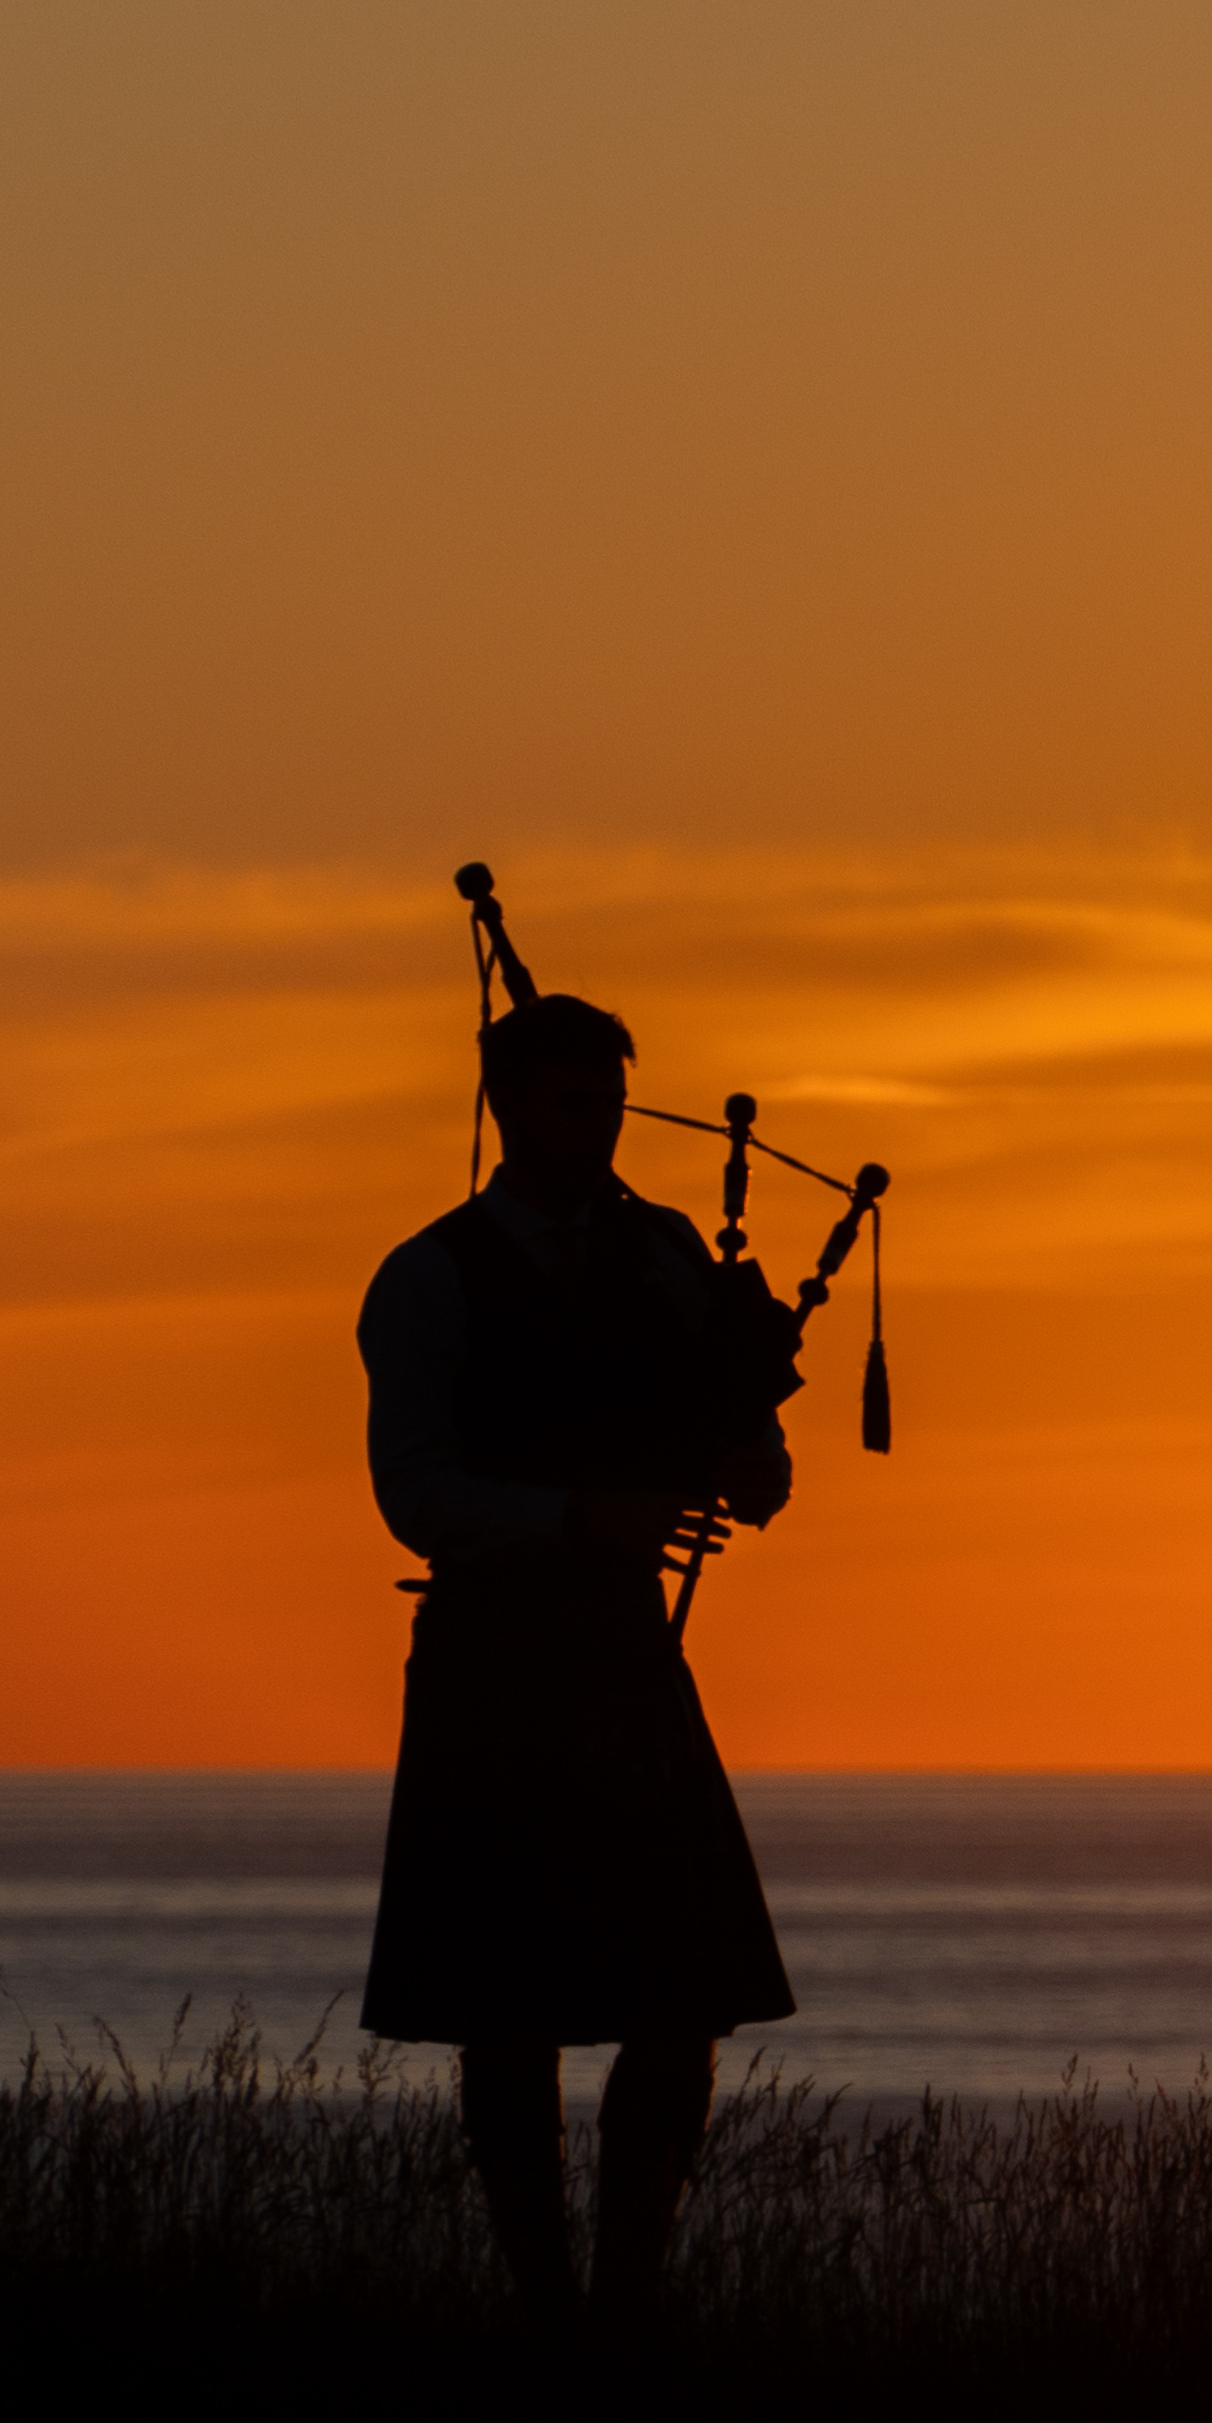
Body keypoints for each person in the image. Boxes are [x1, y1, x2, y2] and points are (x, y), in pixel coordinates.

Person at [354, 991, 808, 2333]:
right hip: (495, 1652)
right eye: (571, 1103)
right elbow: (415, 1491)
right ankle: (546, 2311)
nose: (598, 1128)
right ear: (507, 1108)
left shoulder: (667, 1257)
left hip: (620, 1650)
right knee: (510, 2009)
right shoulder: (428, 1276)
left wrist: (751, 1464)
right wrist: (571, 1518)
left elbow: (746, 1446)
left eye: (610, 1102)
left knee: (682, 2000)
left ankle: (625, 2309)